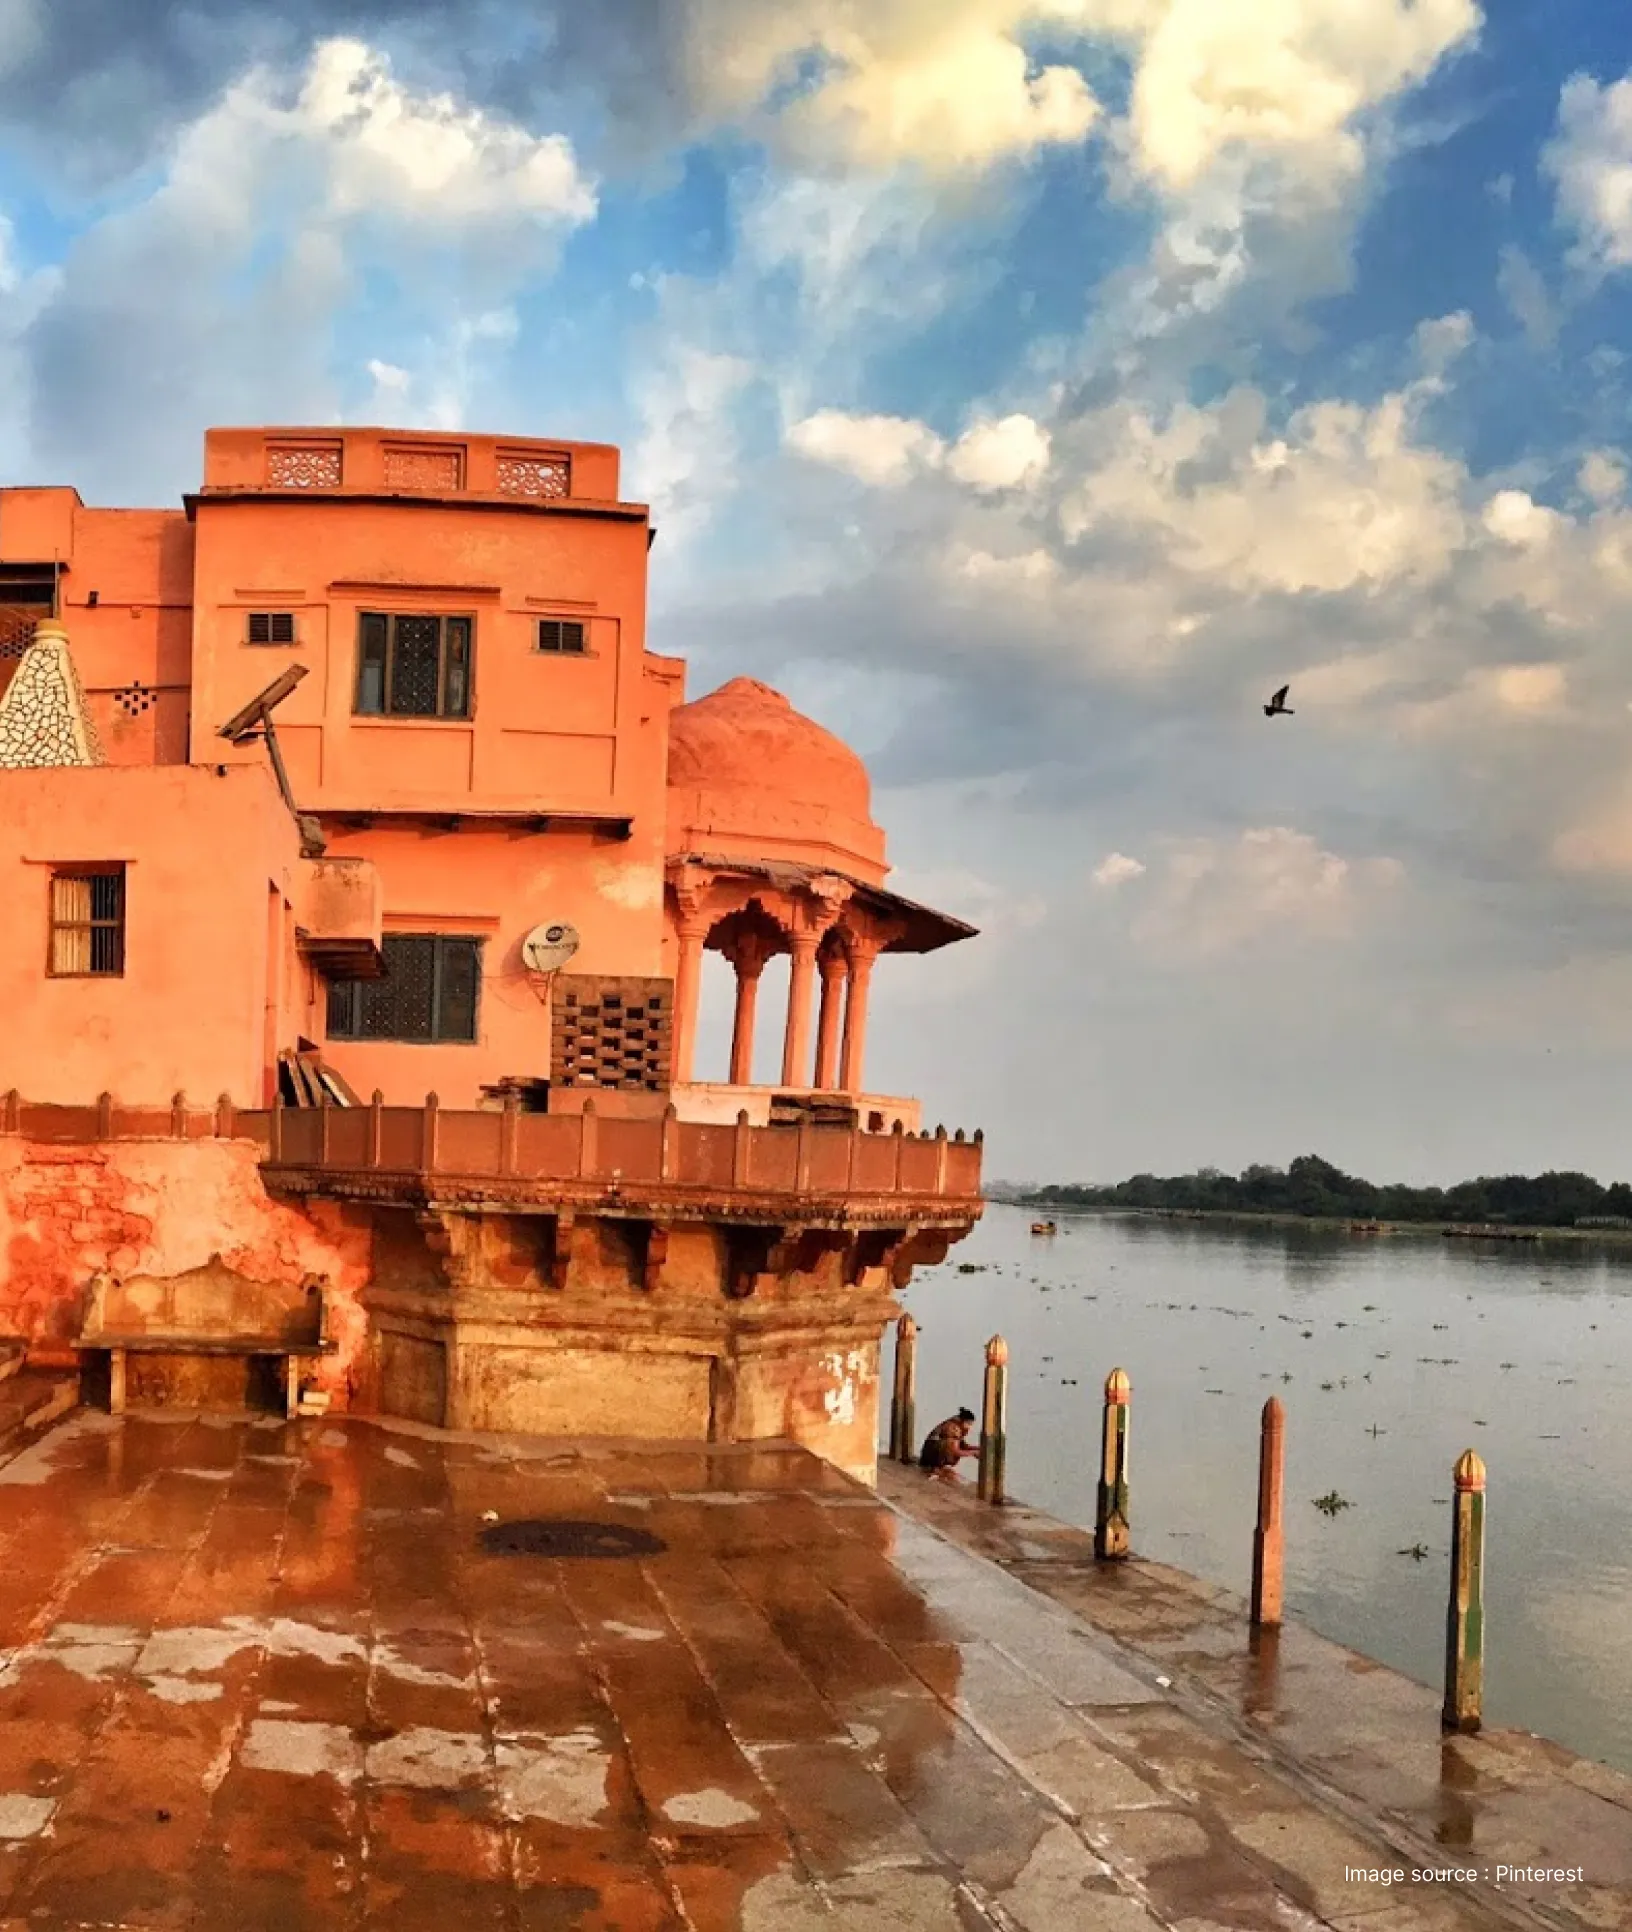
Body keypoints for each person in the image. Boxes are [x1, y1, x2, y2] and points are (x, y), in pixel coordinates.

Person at [919, 1407, 980, 1481]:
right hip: (932, 1457)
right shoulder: (953, 1428)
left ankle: (939, 1468)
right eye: (969, 1424)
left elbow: (963, 1445)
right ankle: (937, 1469)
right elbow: (954, 1451)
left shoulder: (955, 1425)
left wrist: (978, 1449)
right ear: (963, 1421)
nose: (969, 1427)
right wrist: (973, 1453)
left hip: (930, 1455)